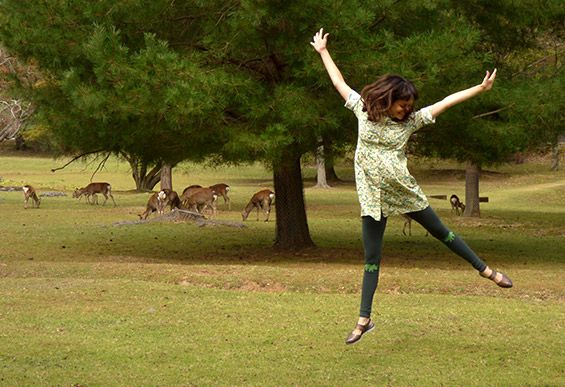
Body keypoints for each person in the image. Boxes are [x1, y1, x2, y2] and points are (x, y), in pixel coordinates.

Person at [310, 28, 513, 345]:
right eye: (403, 104)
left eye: (410, 104)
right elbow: (339, 82)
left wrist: (480, 88)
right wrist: (323, 52)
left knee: (443, 233)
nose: (407, 109)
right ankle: (364, 320)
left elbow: (446, 102)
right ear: (388, 99)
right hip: (372, 198)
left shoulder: (414, 121)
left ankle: (486, 270)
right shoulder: (363, 110)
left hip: (405, 192)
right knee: (371, 257)